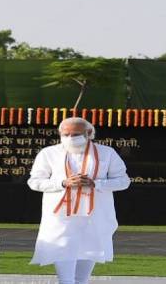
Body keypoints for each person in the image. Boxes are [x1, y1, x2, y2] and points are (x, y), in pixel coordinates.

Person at [28, 117, 130, 284]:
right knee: (64, 266)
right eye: (65, 134)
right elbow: (35, 182)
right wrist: (63, 183)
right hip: (61, 217)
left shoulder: (107, 153)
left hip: (94, 215)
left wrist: (96, 183)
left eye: (75, 134)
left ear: (89, 133)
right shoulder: (49, 153)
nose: (70, 138)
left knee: (83, 273)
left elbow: (123, 181)